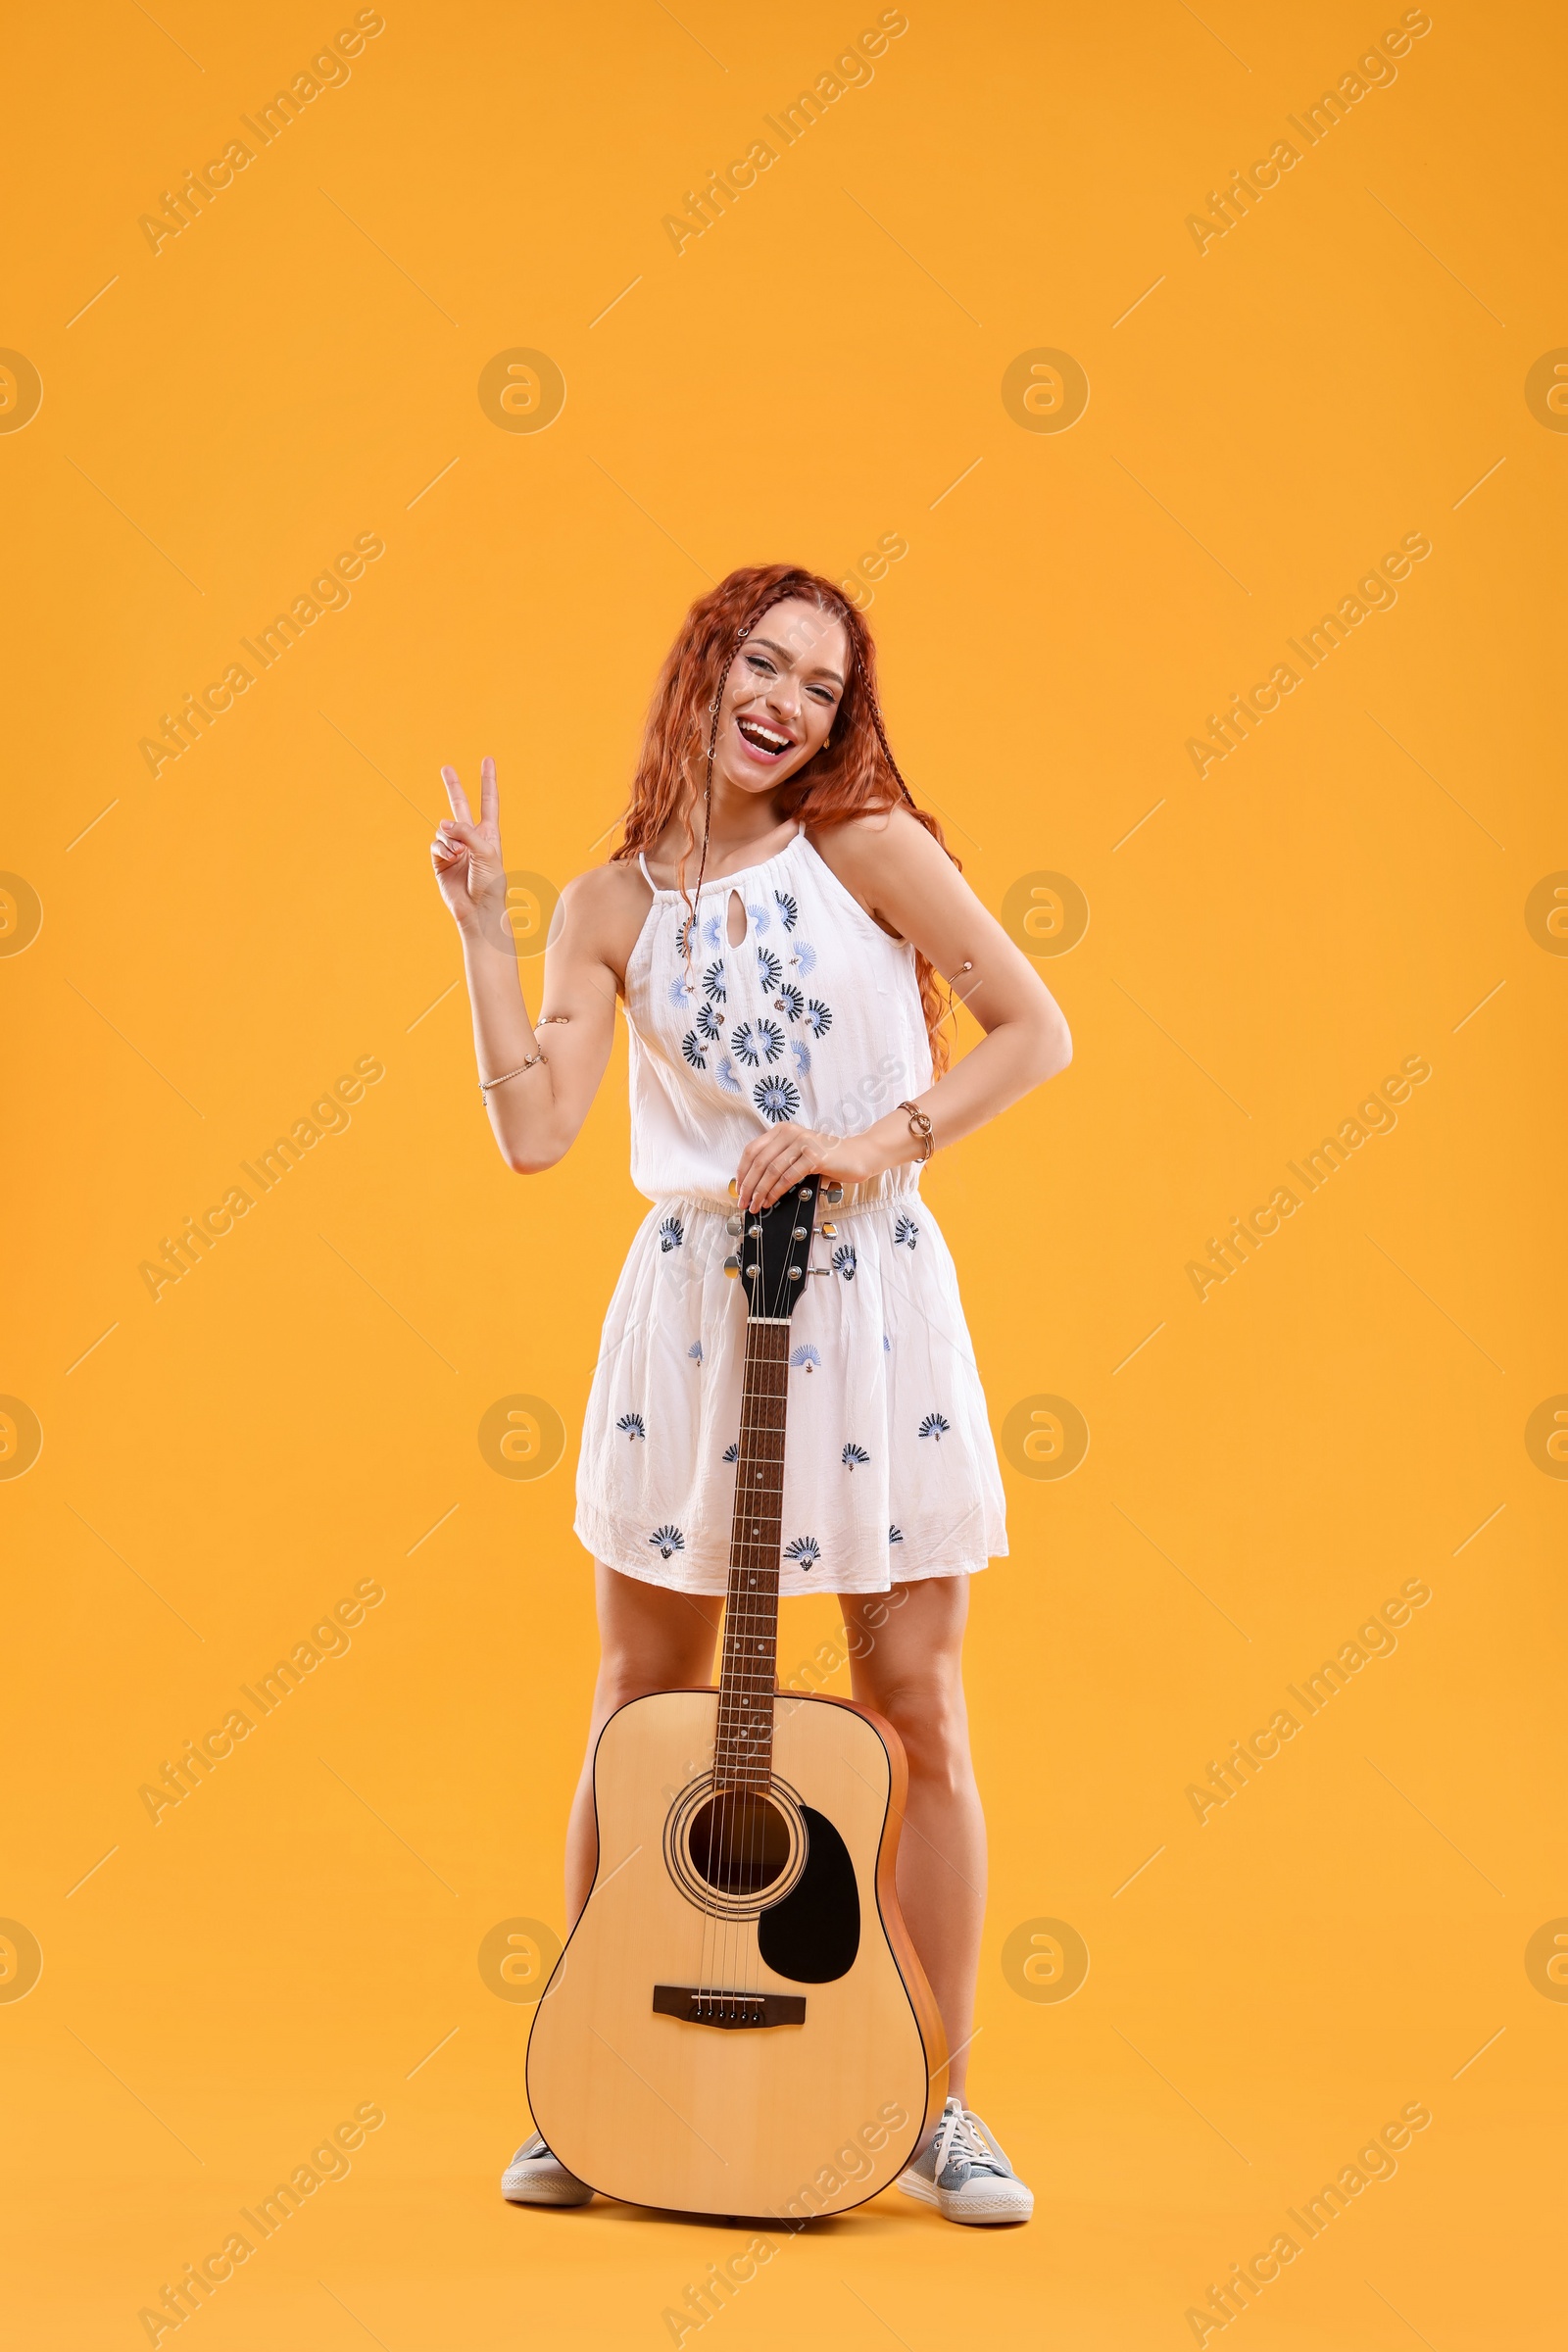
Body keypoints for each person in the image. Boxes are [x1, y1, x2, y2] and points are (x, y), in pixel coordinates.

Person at [431, 564, 1072, 2226]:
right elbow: (534, 1130)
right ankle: (588, 2084)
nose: (783, 702)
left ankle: (934, 2099)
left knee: (911, 1707)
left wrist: (879, 1141)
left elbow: (1033, 1028)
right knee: (640, 1705)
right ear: (704, 667)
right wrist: (482, 934)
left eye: (818, 682)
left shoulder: (869, 851)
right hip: (694, 1321)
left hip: (868, 1310)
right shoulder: (607, 909)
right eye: (760, 663)